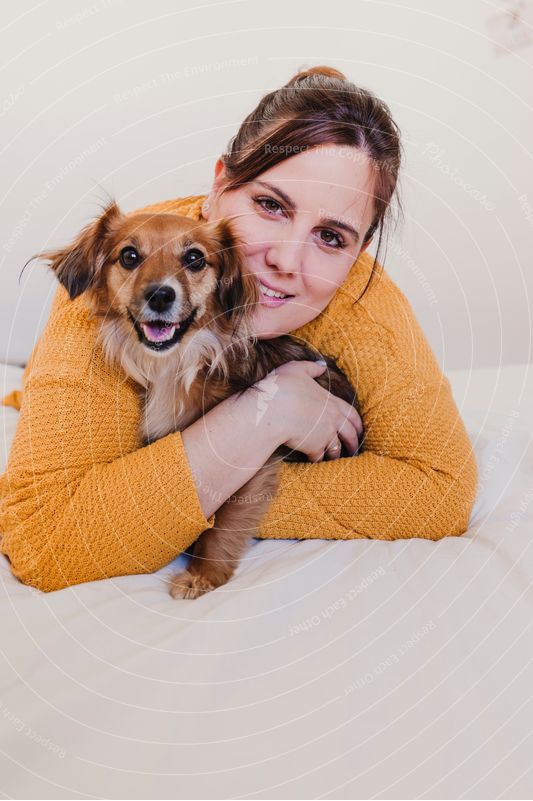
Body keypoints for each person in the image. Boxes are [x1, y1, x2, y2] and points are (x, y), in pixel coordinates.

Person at [0, 66, 478, 593]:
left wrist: (202, 491)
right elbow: (47, 542)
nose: (285, 260)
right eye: (270, 205)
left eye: (331, 236)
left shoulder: (362, 303)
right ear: (220, 184)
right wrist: (260, 420)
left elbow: (440, 491)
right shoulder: (118, 274)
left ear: (359, 253)